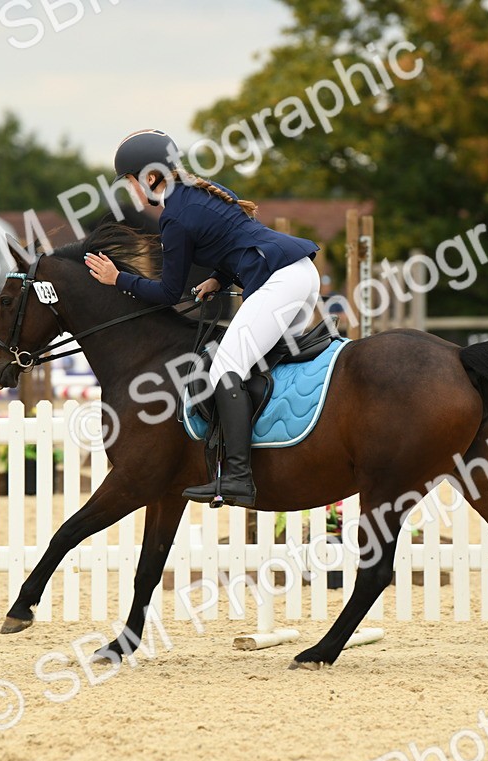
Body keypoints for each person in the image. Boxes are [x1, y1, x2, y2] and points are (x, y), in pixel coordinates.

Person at [85, 129, 321, 508]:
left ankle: (238, 479)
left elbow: (167, 293)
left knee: (223, 370)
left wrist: (118, 279)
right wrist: (219, 278)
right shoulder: (201, 191)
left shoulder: (174, 218)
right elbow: (235, 238)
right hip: (300, 272)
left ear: (148, 178)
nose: (130, 191)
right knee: (263, 366)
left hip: (279, 281)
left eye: (129, 182)